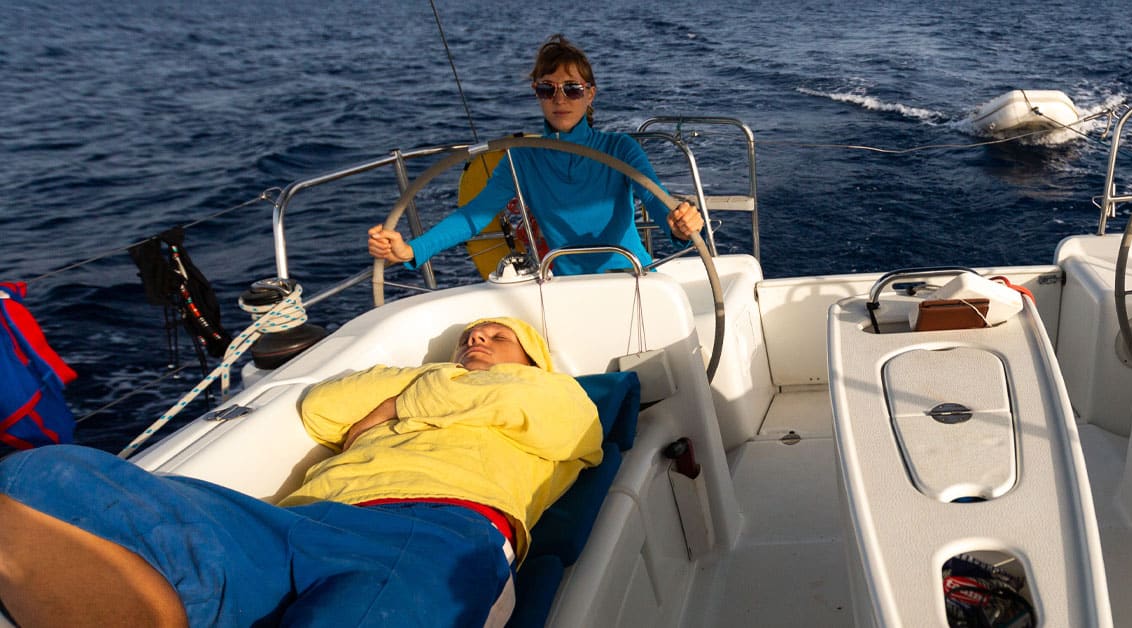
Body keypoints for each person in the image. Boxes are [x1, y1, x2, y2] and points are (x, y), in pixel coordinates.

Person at [0, 317, 602, 627]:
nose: (480, 340)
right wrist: (432, 382)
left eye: (500, 338)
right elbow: (321, 408)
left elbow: (562, 422)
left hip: (438, 530)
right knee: (40, 479)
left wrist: (398, 405)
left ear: (531, 360)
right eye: (471, 336)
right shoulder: (431, 380)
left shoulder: (554, 394)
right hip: (295, 521)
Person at [369, 34, 705, 276]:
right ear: (537, 94)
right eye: (548, 89)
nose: (560, 99)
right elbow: (475, 215)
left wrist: (680, 223)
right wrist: (412, 250)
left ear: (590, 95)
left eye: (572, 89)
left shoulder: (620, 150)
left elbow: (660, 204)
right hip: (565, 291)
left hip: (633, 278)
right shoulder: (522, 158)